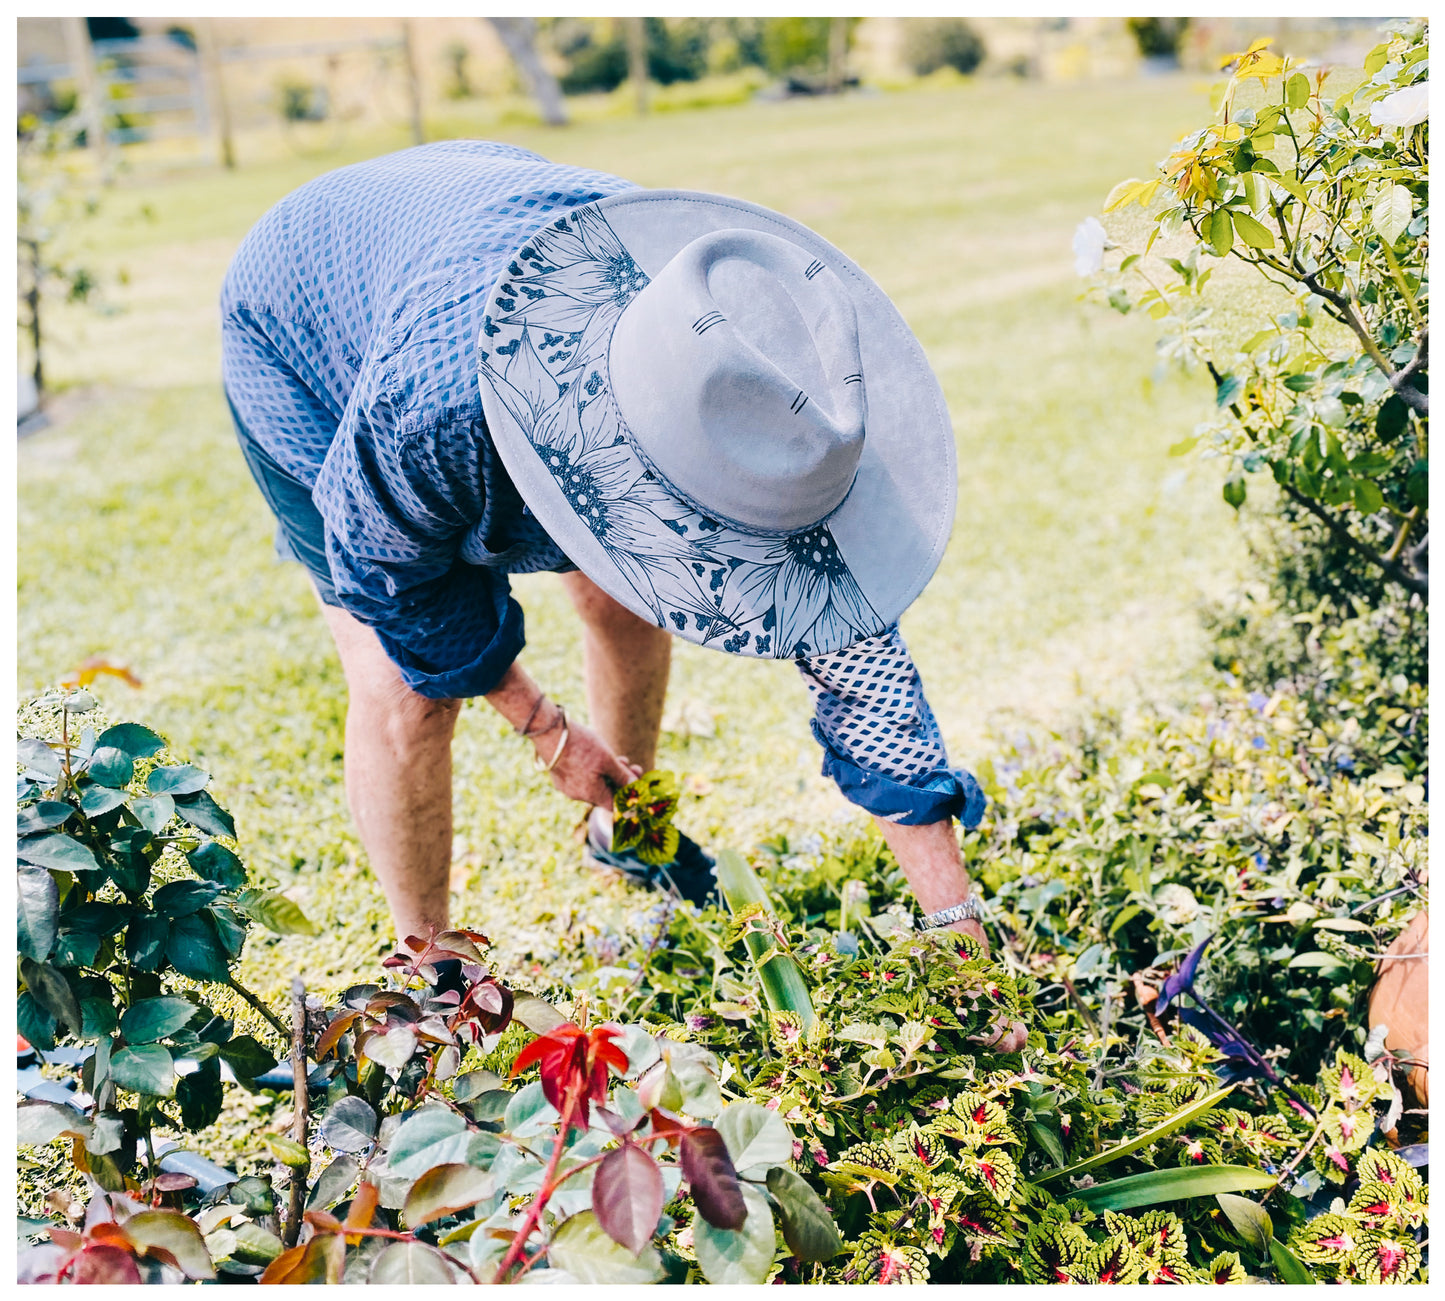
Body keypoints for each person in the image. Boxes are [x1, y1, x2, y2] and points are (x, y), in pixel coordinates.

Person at [220, 140, 1013, 1015]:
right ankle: (431, 981)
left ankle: (621, 830)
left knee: (625, 595)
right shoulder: (434, 418)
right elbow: (392, 577)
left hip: (482, 226)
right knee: (404, 691)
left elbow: (867, 678)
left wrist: (958, 929)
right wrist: (545, 728)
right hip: (304, 316)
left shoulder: (772, 389)